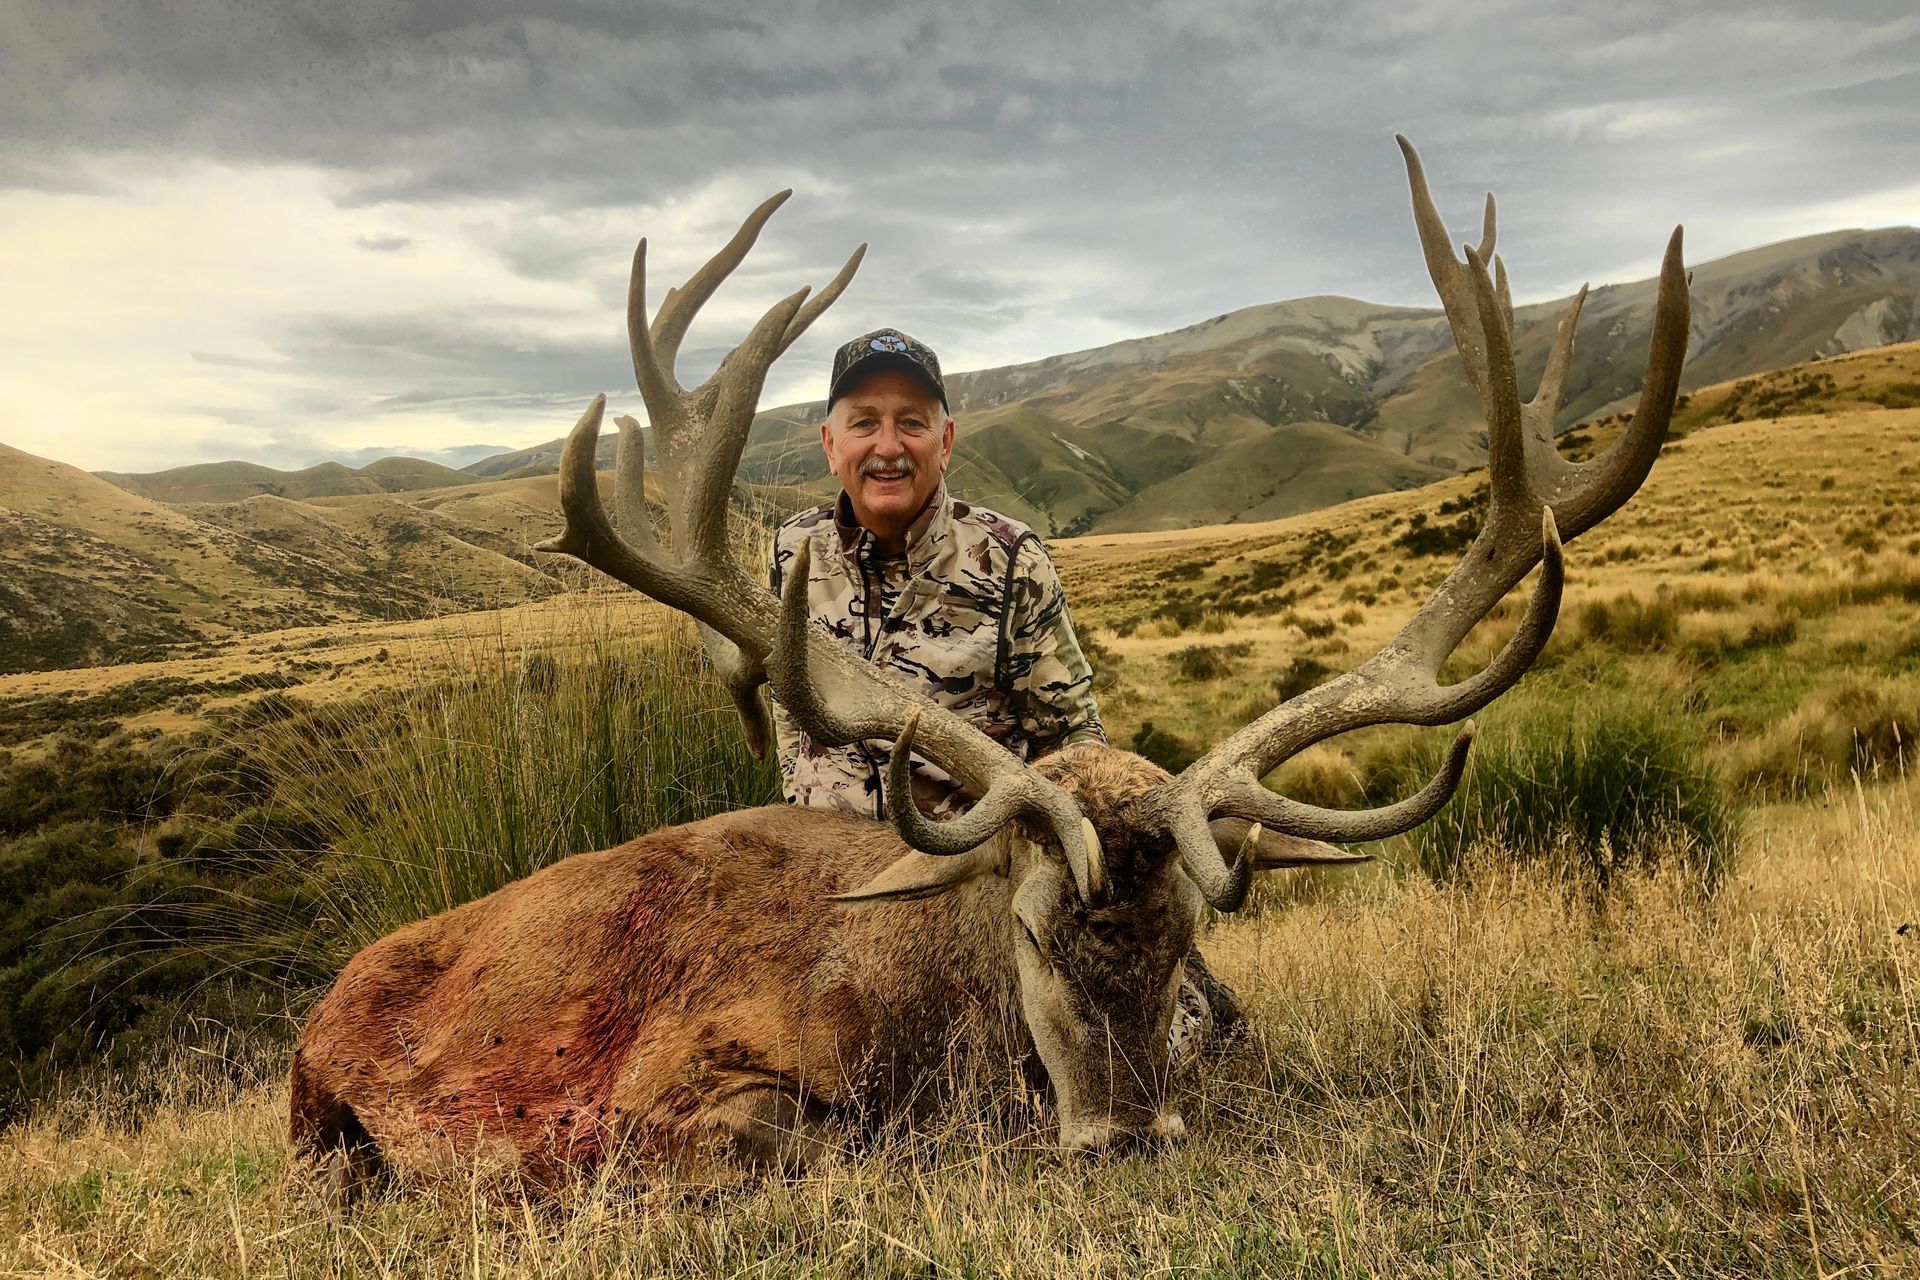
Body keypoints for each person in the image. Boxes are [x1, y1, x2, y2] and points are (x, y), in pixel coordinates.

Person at [767, 327, 1239, 1061]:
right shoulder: (788, 554)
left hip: (973, 887)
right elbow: (774, 699)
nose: (888, 445)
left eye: (912, 422)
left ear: (945, 440)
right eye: (864, 422)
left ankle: (1181, 1003)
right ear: (830, 443)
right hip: (818, 886)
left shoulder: (1010, 558)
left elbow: (1079, 748)